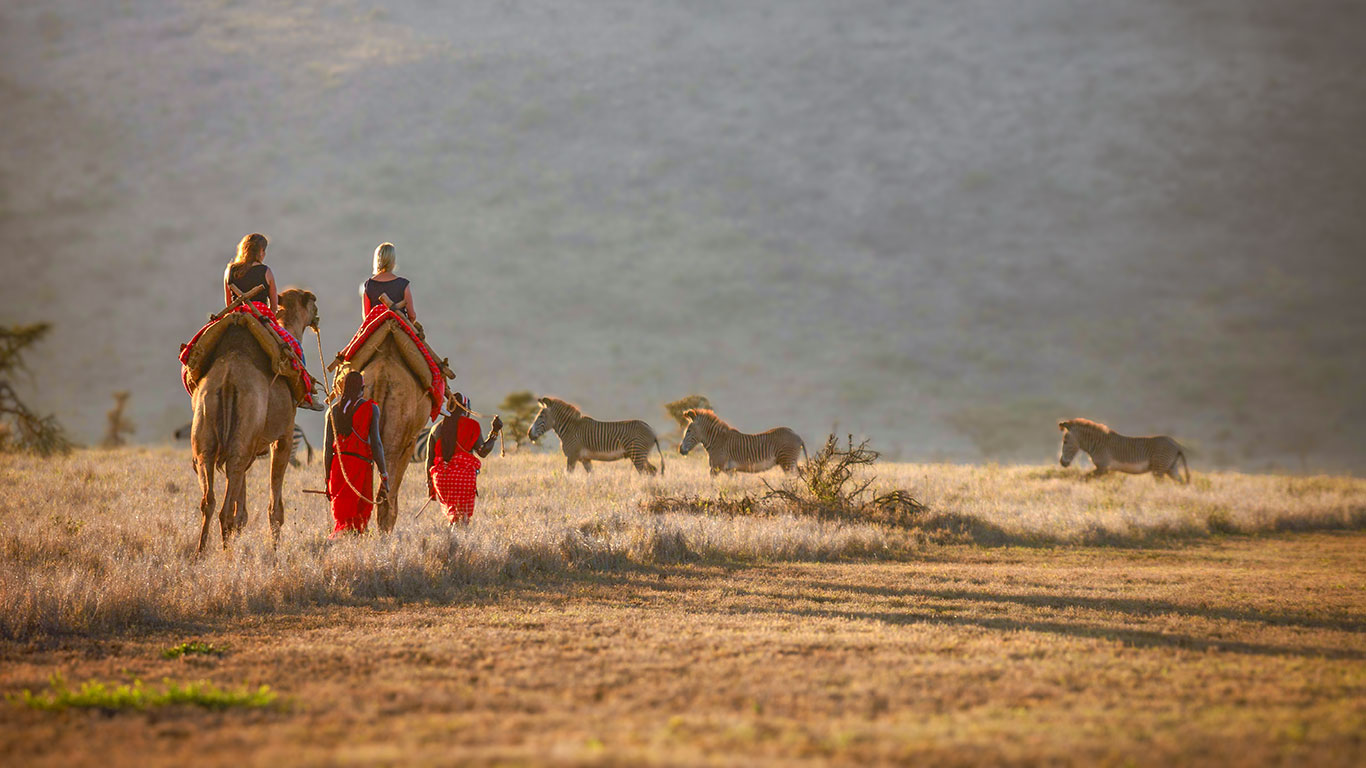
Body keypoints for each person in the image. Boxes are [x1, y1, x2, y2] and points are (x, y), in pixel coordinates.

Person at [324, 371, 389, 535]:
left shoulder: (332, 411)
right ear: (362, 388)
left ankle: (343, 543)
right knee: (359, 517)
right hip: (360, 467)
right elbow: (376, 444)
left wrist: (327, 478)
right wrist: (384, 474)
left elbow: (327, 448)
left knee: (343, 517)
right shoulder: (371, 408)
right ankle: (352, 543)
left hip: (338, 467)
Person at [426, 393, 501, 525]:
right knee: (462, 519)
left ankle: (452, 534)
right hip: (463, 478)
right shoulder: (472, 425)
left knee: (453, 515)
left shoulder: (435, 429)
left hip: (441, 479)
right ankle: (458, 537)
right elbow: (483, 452)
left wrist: (430, 484)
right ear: (465, 408)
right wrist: (495, 431)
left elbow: (429, 459)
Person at [361, 242, 417, 324]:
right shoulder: (403, 284)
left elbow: (367, 317)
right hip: (399, 326)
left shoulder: (368, 285)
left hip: (377, 327)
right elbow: (412, 315)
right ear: (393, 261)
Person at [224, 233, 278, 314]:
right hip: (260, 317)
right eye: (264, 250)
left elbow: (229, 305)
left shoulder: (229, 270)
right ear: (260, 251)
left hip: (237, 316)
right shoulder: (266, 272)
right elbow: (274, 306)